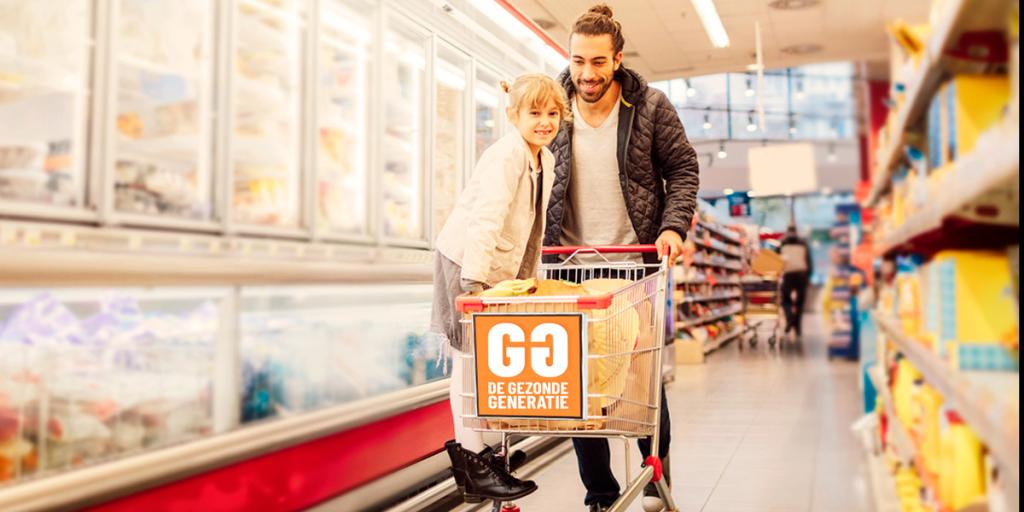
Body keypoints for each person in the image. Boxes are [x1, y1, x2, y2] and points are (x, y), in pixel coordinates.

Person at [543, 5, 700, 511]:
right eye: (577, 61)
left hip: (633, 266)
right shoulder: (554, 106)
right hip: (568, 267)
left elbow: (683, 169)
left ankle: (656, 470)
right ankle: (600, 492)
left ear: (617, 59)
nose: (586, 73)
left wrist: (673, 226)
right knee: (578, 382)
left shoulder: (650, 106)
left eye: (597, 62)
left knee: (641, 380)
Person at [431, 73, 568, 504]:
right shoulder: (506, 155)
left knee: (481, 362)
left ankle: (479, 458)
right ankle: (473, 464)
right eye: (535, 113)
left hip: (495, 270)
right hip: (466, 263)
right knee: (468, 362)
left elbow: (532, 226)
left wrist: (527, 281)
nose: (545, 121)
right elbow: (485, 220)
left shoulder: (544, 158)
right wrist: (473, 283)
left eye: (553, 113)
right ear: (513, 116)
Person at [779, 225, 813, 340]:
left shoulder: (783, 243)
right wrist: (809, 276)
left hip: (788, 274)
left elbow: (777, 260)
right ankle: (797, 328)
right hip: (801, 274)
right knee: (800, 303)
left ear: (787, 232)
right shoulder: (803, 243)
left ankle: (790, 319)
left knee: (785, 299)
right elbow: (809, 260)